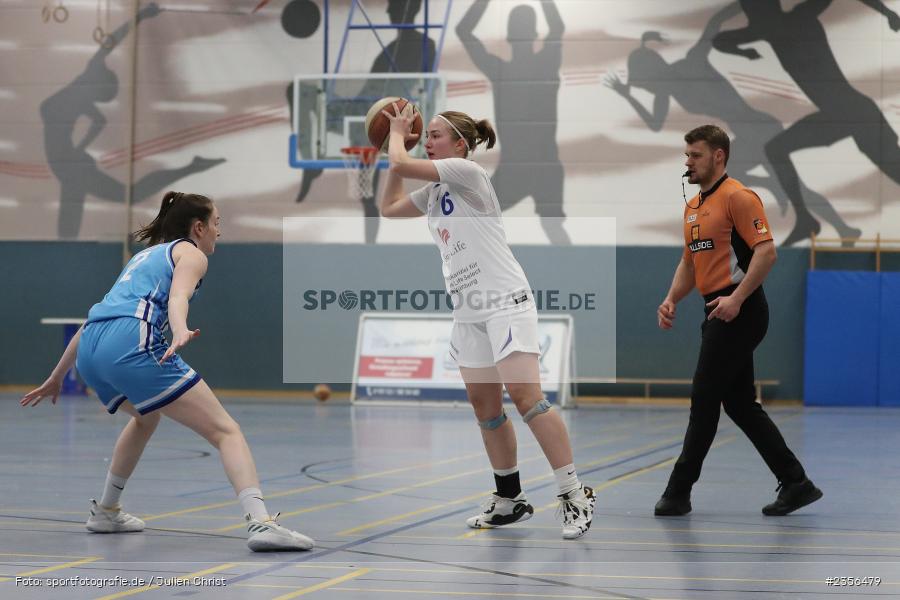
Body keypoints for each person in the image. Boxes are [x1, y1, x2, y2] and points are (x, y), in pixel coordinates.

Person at [20, 191, 314, 552]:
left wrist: (57, 375)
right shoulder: (190, 253)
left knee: (146, 417)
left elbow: (95, 317)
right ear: (199, 227)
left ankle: (107, 510)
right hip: (130, 343)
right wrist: (179, 327)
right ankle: (260, 523)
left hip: (91, 350)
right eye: (217, 223)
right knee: (226, 431)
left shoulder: (142, 257)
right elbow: (178, 297)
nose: (219, 232)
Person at [378, 103, 594, 539]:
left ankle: (574, 493)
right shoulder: (435, 191)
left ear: (460, 144)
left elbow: (403, 160)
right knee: (486, 410)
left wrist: (397, 137)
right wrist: (393, 149)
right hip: (469, 310)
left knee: (527, 398)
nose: (429, 140)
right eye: (427, 135)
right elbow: (387, 207)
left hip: (504, 302)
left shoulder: (465, 172)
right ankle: (509, 499)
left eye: (436, 134)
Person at [654, 125, 822, 517]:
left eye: (695, 154)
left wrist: (736, 298)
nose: (688, 161)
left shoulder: (739, 198)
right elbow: (689, 262)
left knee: (704, 398)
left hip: (740, 310)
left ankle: (678, 491)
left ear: (718, 156)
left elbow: (766, 253)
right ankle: (796, 483)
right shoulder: (693, 207)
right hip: (717, 307)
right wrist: (671, 298)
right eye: (687, 155)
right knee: (741, 405)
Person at [603, 1, 859, 247]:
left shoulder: (694, 61)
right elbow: (655, 124)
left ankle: (834, 225)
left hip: (760, 127)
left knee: (776, 184)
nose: (647, 88)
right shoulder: (666, 93)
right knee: (730, 178)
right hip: (747, 135)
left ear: (653, 73)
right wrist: (628, 96)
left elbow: (715, 22)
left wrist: (747, 5)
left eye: (645, 83)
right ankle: (829, 222)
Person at [714, 0, 900, 245]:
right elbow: (718, 41)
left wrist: (887, 12)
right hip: (838, 115)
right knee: (776, 149)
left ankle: (804, 219)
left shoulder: (784, 23)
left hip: (857, 113)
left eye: (751, 12)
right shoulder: (775, 27)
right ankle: (805, 219)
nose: (750, 19)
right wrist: (887, 13)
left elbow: (721, 40)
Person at [456, 0, 570, 245]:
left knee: (475, 220)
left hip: (523, 167)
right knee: (554, 231)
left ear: (508, 36)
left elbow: (463, 31)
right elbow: (557, 27)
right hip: (541, 165)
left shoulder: (500, 70)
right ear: (535, 34)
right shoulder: (546, 62)